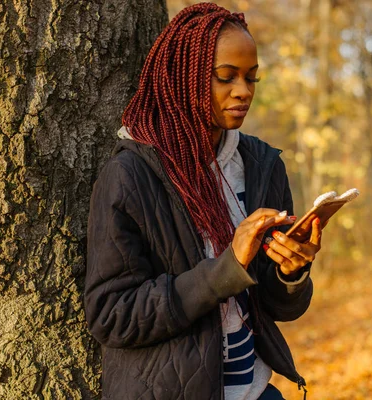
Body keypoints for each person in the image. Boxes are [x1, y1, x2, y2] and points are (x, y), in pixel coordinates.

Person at [85, 3, 322, 399]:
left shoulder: (261, 165)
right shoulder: (131, 177)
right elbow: (112, 316)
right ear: (185, 78)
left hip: (256, 391)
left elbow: (280, 308)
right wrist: (225, 270)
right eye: (226, 77)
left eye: (251, 78)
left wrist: (291, 273)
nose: (243, 91)